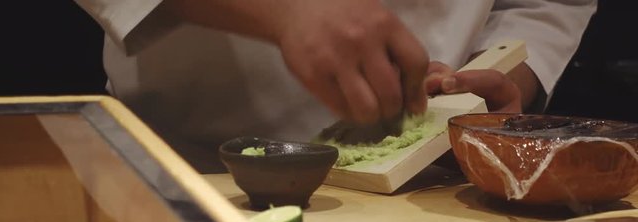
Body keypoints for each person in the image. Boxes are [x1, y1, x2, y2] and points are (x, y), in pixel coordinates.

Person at [75, 0, 597, 173]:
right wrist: (284, 12)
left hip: (431, 174)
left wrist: (495, 80)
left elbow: (546, 5)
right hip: (187, 167)